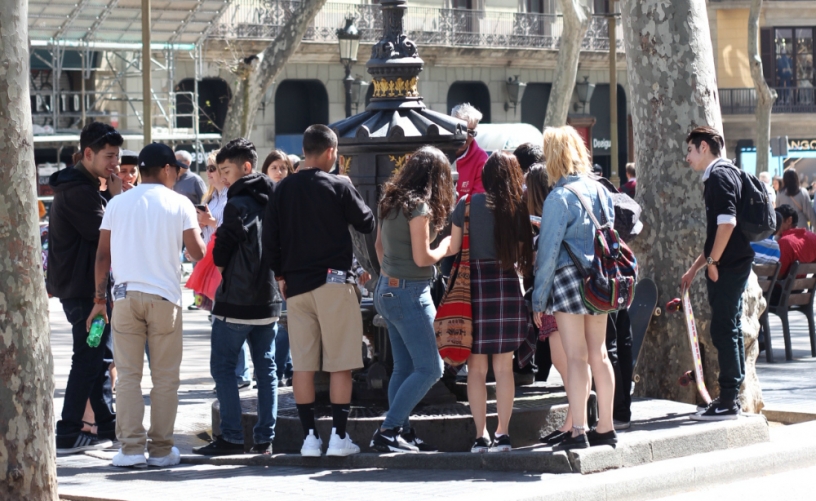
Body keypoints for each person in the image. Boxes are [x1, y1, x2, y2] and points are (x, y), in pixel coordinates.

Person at [88, 142, 205, 467]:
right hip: (165, 299)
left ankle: (130, 450)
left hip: (124, 298)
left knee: (127, 377)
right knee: (165, 378)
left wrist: (100, 299)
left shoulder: (118, 203)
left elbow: (102, 255)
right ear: (168, 169)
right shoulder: (179, 203)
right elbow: (197, 253)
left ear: (140, 170)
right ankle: (161, 450)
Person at [264, 124, 375, 457]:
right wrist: (350, 187)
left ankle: (310, 438)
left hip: (296, 288)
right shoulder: (338, 185)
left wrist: (281, 276)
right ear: (330, 151)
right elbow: (367, 222)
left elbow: (270, 239)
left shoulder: (282, 189)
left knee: (303, 366)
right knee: (341, 363)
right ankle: (339, 438)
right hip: (334, 282)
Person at [193, 138, 282, 456]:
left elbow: (221, 252)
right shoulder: (276, 199)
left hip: (235, 302)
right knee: (266, 369)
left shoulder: (237, 203)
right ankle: (264, 438)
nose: (224, 177)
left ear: (246, 167)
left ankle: (230, 437)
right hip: (269, 300)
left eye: (227, 170)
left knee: (224, 367)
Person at [532, 125, 617, 450]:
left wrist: (539, 299)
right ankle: (605, 426)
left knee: (576, 356)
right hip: (600, 280)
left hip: (569, 281)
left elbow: (548, 253)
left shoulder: (558, 197)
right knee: (600, 354)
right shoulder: (600, 191)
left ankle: (578, 430)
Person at [446, 151, 535, 453]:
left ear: (485, 175)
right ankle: (504, 434)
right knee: (504, 369)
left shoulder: (466, 205)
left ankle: (480, 434)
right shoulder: (516, 209)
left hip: (473, 290)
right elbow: (524, 257)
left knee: (476, 369)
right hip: (506, 287)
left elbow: (455, 248)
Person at [371, 147, 453, 453]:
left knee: (403, 369)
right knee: (432, 368)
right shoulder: (419, 207)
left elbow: (379, 247)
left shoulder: (389, 201)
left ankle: (401, 431)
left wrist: (391, 275)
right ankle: (389, 429)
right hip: (410, 293)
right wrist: (444, 247)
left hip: (387, 289)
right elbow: (423, 258)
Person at [48, 122, 123, 455]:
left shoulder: (86, 186)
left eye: (117, 157)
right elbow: (105, 234)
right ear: (88, 154)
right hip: (84, 292)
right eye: (109, 156)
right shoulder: (78, 190)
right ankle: (67, 430)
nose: (115, 164)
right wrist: (117, 199)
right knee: (89, 358)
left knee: (97, 357)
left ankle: (106, 423)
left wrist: (109, 193)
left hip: (86, 289)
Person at [680, 125, 754, 421]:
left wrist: (712, 263)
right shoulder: (724, 174)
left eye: (689, 150)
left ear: (704, 148)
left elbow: (727, 225)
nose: (687, 157)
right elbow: (717, 233)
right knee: (729, 327)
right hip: (731, 263)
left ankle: (727, 400)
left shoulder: (719, 176)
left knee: (724, 329)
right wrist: (697, 266)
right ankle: (729, 397)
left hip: (728, 266)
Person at [260, 149, 296, 385]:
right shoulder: (260, 197)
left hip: (288, 266)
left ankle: (282, 369)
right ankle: (282, 368)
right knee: (276, 322)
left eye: (283, 167)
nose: (279, 172)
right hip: (267, 267)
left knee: (284, 323)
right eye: (274, 168)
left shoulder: (294, 195)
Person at [451, 103, 488, 197]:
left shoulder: (481, 159)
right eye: (461, 131)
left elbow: (477, 202)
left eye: (471, 132)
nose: (466, 137)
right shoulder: (438, 153)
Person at [774, 204, 816, 279]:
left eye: (777, 220)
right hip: (800, 288)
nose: (774, 225)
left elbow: (778, 276)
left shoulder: (785, 242)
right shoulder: (813, 238)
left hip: (781, 289)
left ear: (789, 220)